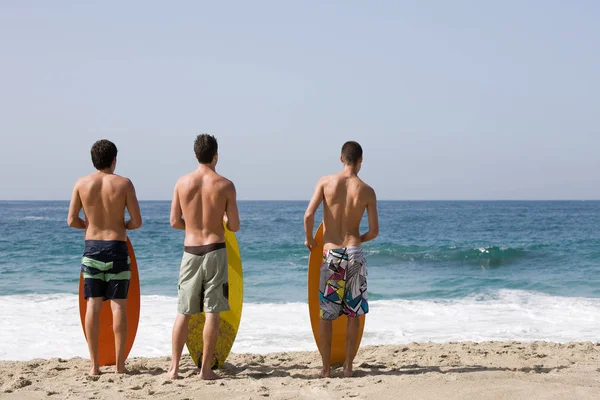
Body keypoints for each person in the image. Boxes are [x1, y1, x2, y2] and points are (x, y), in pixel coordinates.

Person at [304, 141, 379, 378]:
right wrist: (357, 241)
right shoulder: (367, 190)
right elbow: (374, 231)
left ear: (341, 159)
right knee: (354, 314)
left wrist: (309, 240)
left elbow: (308, 215)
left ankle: (325, 369)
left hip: (332, 254)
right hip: (354, 252)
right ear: (361, 160)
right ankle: (348, 367)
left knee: (327, 314)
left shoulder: (326, 182)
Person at [168, 134, 240, 380]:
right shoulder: (225, 185)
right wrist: (222, 220)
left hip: (190, 251)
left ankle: (174, 369)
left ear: (195, 155)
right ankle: (205, 370)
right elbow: (234, 226)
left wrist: (192, 227)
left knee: (184, 312)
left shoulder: (182, 183)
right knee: (212, 312)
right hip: (215, 250)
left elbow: (174, 221)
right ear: (216, 155)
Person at [67, 139, 142, 376]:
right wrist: (120, 225)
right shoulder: (124, 184)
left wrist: (89, 225)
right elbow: (137, 222)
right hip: (117, 247)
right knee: (119, 306)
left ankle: (94, 367)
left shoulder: (81, 183)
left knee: (93, 305)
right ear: (114, 160)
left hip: (92, 248)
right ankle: (120, 366)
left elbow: (71, 220)